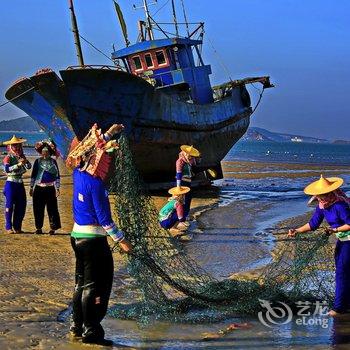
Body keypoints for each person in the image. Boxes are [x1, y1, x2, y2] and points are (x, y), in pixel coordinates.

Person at [66, 123, 132, 346]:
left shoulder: (78, 173)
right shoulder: (95, 184)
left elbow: (84, 150)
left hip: (77, 237)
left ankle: (77, 325)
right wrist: (122, 240)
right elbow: (105, 219)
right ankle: (91, 331)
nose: (106, 160)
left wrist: (108, 135)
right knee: (97, 285)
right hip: (94, 240)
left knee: (81, 283)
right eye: (104, 156)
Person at [288, 175, 350, 317]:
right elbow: (313, 224)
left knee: (342, 273)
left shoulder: (340, 205)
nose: (320, 199)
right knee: (344, 272)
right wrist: (296, 231)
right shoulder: (322, 207)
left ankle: (339, 308)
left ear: (330, 193)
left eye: (323, 196)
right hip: (343, 241)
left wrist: (334, 230)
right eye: (319, 197)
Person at [30, 140, 61, 234]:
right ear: (41, 152)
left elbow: (57, 175)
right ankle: (38, 228)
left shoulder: (53, 162)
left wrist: (57, 188)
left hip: (50, 188)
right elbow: (33, 175)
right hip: (38, 188)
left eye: (47, 152)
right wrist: (31, 187)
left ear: (50, 153)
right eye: (43, 152)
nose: (45, 153)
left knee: (52, 209)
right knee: (38, 208)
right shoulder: (37, 161)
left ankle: (53, 229)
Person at [2, 135, 31, 234]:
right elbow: (6, 169)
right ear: (10, 146)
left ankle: (17, 227)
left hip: (20, 183)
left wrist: (25, 161)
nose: (17, 147)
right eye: (14, 145)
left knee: (21, 205)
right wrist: (18, 164)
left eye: (18, 145)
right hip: (11, 183)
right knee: (9, 205)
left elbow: (28, 166)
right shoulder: (8, 157)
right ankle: (8, 227)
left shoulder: (22, 156)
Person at [175, 145, 200, 221]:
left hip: (188, 182)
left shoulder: (189, 160)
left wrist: (197, 157)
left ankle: (185, 215)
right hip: (182, 183)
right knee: (181, 200)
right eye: (189, 155)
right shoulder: (180, 161)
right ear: (185, 153)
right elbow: (178, 174)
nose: (190, 157)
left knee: (189, 198)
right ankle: (180, 218)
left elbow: (195, 163)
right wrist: (178, 187)